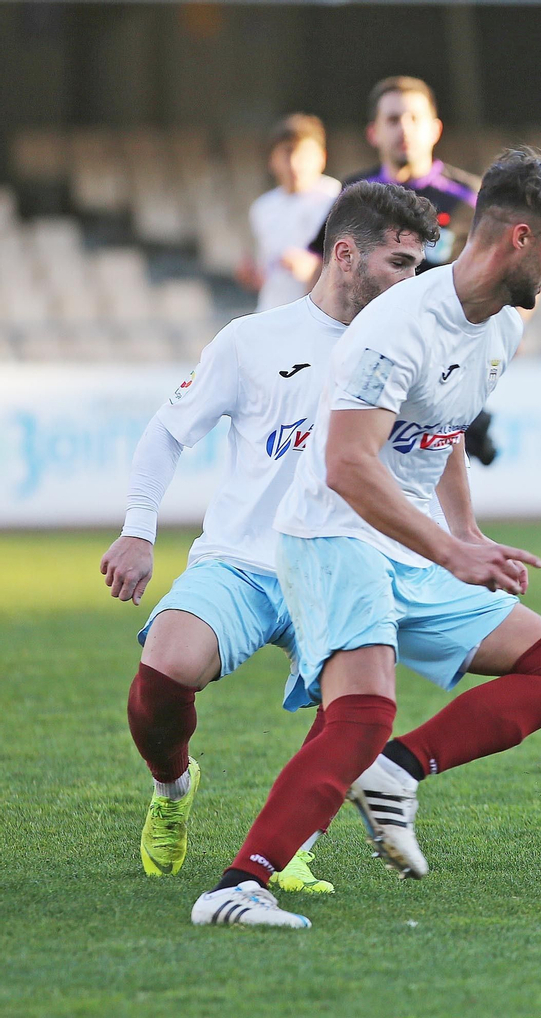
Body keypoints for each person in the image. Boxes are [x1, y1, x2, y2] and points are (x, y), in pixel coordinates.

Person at [189, 148, 541, 929]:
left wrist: (466, 531)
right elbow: (345, 465)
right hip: (333, 534)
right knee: (364, 711)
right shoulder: (398, 325)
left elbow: (436, 434)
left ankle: (398, 771)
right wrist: (450, 550)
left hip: (407, 544)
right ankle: (237, 887)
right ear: (518, 237)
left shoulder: (502, 327)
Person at [101, 182, 439, 894]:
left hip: (342, 567)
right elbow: (167, 431)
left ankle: (291, 848)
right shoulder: (253, 341)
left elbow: (429, 463)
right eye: (402, 264)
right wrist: (138, 529)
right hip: (244, 561)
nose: (415, 282)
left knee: (356, 715)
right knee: (163, 670)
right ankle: (172, 788)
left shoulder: (412, 350)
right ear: (345, 255)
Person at [310, 75, 499, 466]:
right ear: (373, 132)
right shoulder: (354, 195)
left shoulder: (470, 198)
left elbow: (501, 275)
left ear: (435, 129)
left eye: (414, 118)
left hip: (440, 361)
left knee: (427, 480)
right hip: (366, 356)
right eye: (393, 119)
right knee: (358, 467)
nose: (404, 129)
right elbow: (322, 269)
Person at [240, 114, 341, 312]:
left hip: (321, 313)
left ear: (322, 157)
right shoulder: (263, 208)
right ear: (272, 160)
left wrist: (314, 268)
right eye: (287, 153)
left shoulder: (337, 199)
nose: (295, 164)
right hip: (272, 311)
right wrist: (252, 276)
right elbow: (266, 272)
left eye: (303, 155)